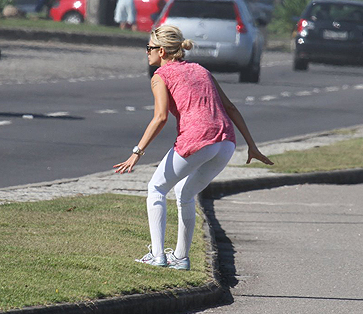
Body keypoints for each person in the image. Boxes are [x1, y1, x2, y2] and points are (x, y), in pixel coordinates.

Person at [114, 25, 273, 270]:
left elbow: (160, 118)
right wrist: (251, 146)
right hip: (226, 143)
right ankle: (180, 258)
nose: (147, 52)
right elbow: (230, 108)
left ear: (163, 52)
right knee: (185, 194)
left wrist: (137, 152)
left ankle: (158, 256)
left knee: (156, 188)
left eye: (150, 48)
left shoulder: (160, 76)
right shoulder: (201, 69)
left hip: (198, 140)